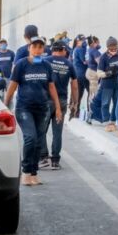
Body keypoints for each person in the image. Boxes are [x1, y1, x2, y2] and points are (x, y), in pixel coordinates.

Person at [3, 36, 63, 186]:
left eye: (40, 47)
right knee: (30, 138)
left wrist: (58, 108)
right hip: (24, 108)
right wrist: (5, 105)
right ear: (29, 48)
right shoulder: (21, 65)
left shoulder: (46, 66)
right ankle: (25, 171)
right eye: (34, 47)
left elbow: (51, 87)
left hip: (42, 109)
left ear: (43, 49)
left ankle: (34, 172)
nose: (37, 50)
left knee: (38, 142)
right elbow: (12, 86)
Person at [38, 40, 78, 170]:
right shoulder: (69, 64)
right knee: (57, 131)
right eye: (65, 49)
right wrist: (75, 103)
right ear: (62, 50)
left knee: (41, 130)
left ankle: (43, 157)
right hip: (61, 101)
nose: (66, 52)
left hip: (45, 100)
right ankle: (55, 160)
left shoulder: (45, 61)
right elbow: (75, 85)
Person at [97, 36, 118, 132]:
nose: (114, 48)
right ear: (107, 47)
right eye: (111, 47)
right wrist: (108, 73)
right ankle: (106, 122)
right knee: (105, 103)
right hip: (107, 84)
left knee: (117, 102)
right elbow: (98, 73)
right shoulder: (104, 57)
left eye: (115, 46)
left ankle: (113, 121)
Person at [85, 36, 102, 124]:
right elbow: (100, 63)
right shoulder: (95, 51)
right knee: (94, 96)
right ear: (93, 43)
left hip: (90, 72)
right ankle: (90, 115)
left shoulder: (89, 50)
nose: (99, 44)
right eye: (98, 42)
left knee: (92, 94)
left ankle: (90, 113)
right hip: (93, 74)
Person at [71, 34, 89, 119]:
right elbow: (84, 61)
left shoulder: (75, 49)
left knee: (78, 94)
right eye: (83, 40)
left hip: (77, 74)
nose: (85, 41)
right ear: (78, 41)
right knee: (90, 93)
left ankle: (75, 112)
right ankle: (89, 112)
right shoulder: (80, 49)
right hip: (82, 74)